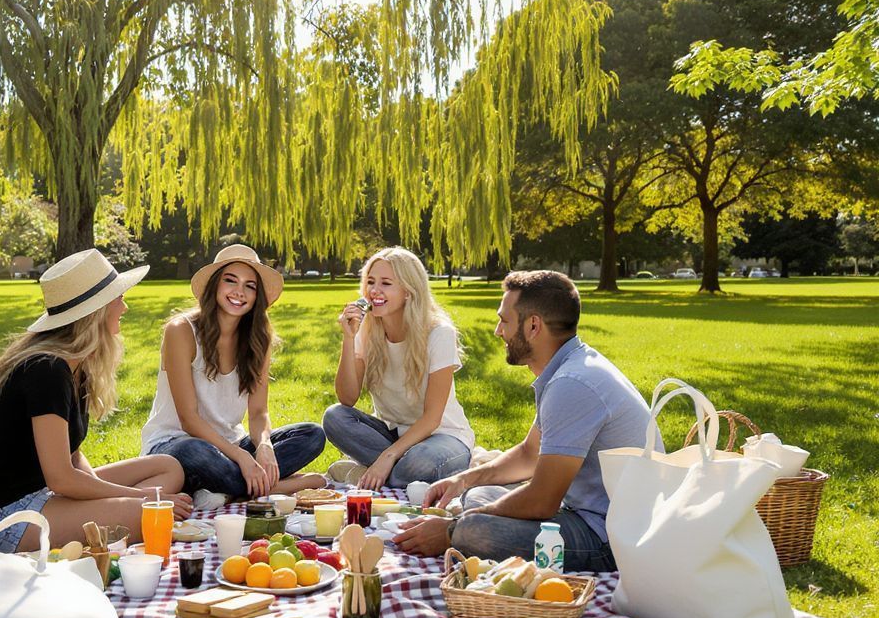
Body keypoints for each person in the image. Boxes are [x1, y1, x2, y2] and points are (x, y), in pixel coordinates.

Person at [393, 270, 654, 571]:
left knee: (471, 531)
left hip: (610, 538)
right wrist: (463, 479)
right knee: (478, 494)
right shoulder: (571, 367)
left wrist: (452, 529)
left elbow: (542, 500)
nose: (497, 331)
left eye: (504, 320)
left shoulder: (572, 384)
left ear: (533, 326)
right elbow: (530, 454)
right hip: (584, 513)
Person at [0, 249, 190, 554]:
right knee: (151, 515)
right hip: (11, 516)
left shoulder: (75, 367)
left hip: (49, 493)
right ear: (96, 311)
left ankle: (111, 514)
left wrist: (115, 499)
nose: (124, 308)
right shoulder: (46, 371)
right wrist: (140, 499)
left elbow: (73, 458)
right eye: (119, 299)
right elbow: (62, 478)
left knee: (169, 468)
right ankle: (119, 515)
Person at [140, 244, 327, 506]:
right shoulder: (181, 331)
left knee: (312, 435)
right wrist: (243, 459)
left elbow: (259, 412)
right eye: (231, 281)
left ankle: (231, 489)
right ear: (215, 285)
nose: (239, 291)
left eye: (250, 286)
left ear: (257, 295)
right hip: (176, 445)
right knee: (197, 452)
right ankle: (279, 486)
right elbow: (188, 420)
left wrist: (263, 446)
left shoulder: (258, 341)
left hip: (231, 446)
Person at [323, 247, 474, 490]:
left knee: (415, 465)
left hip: (443, 437)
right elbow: (347, 398)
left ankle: (373, 472)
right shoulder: (367, 330)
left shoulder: (438, 333)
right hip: (394, 435)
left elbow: (433, 418)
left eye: (386, 283)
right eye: (370, 282)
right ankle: (393, 473)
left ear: (408, 290)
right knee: (334, 417)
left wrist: (387, 457)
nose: (374, 291)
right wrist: (349, 339)